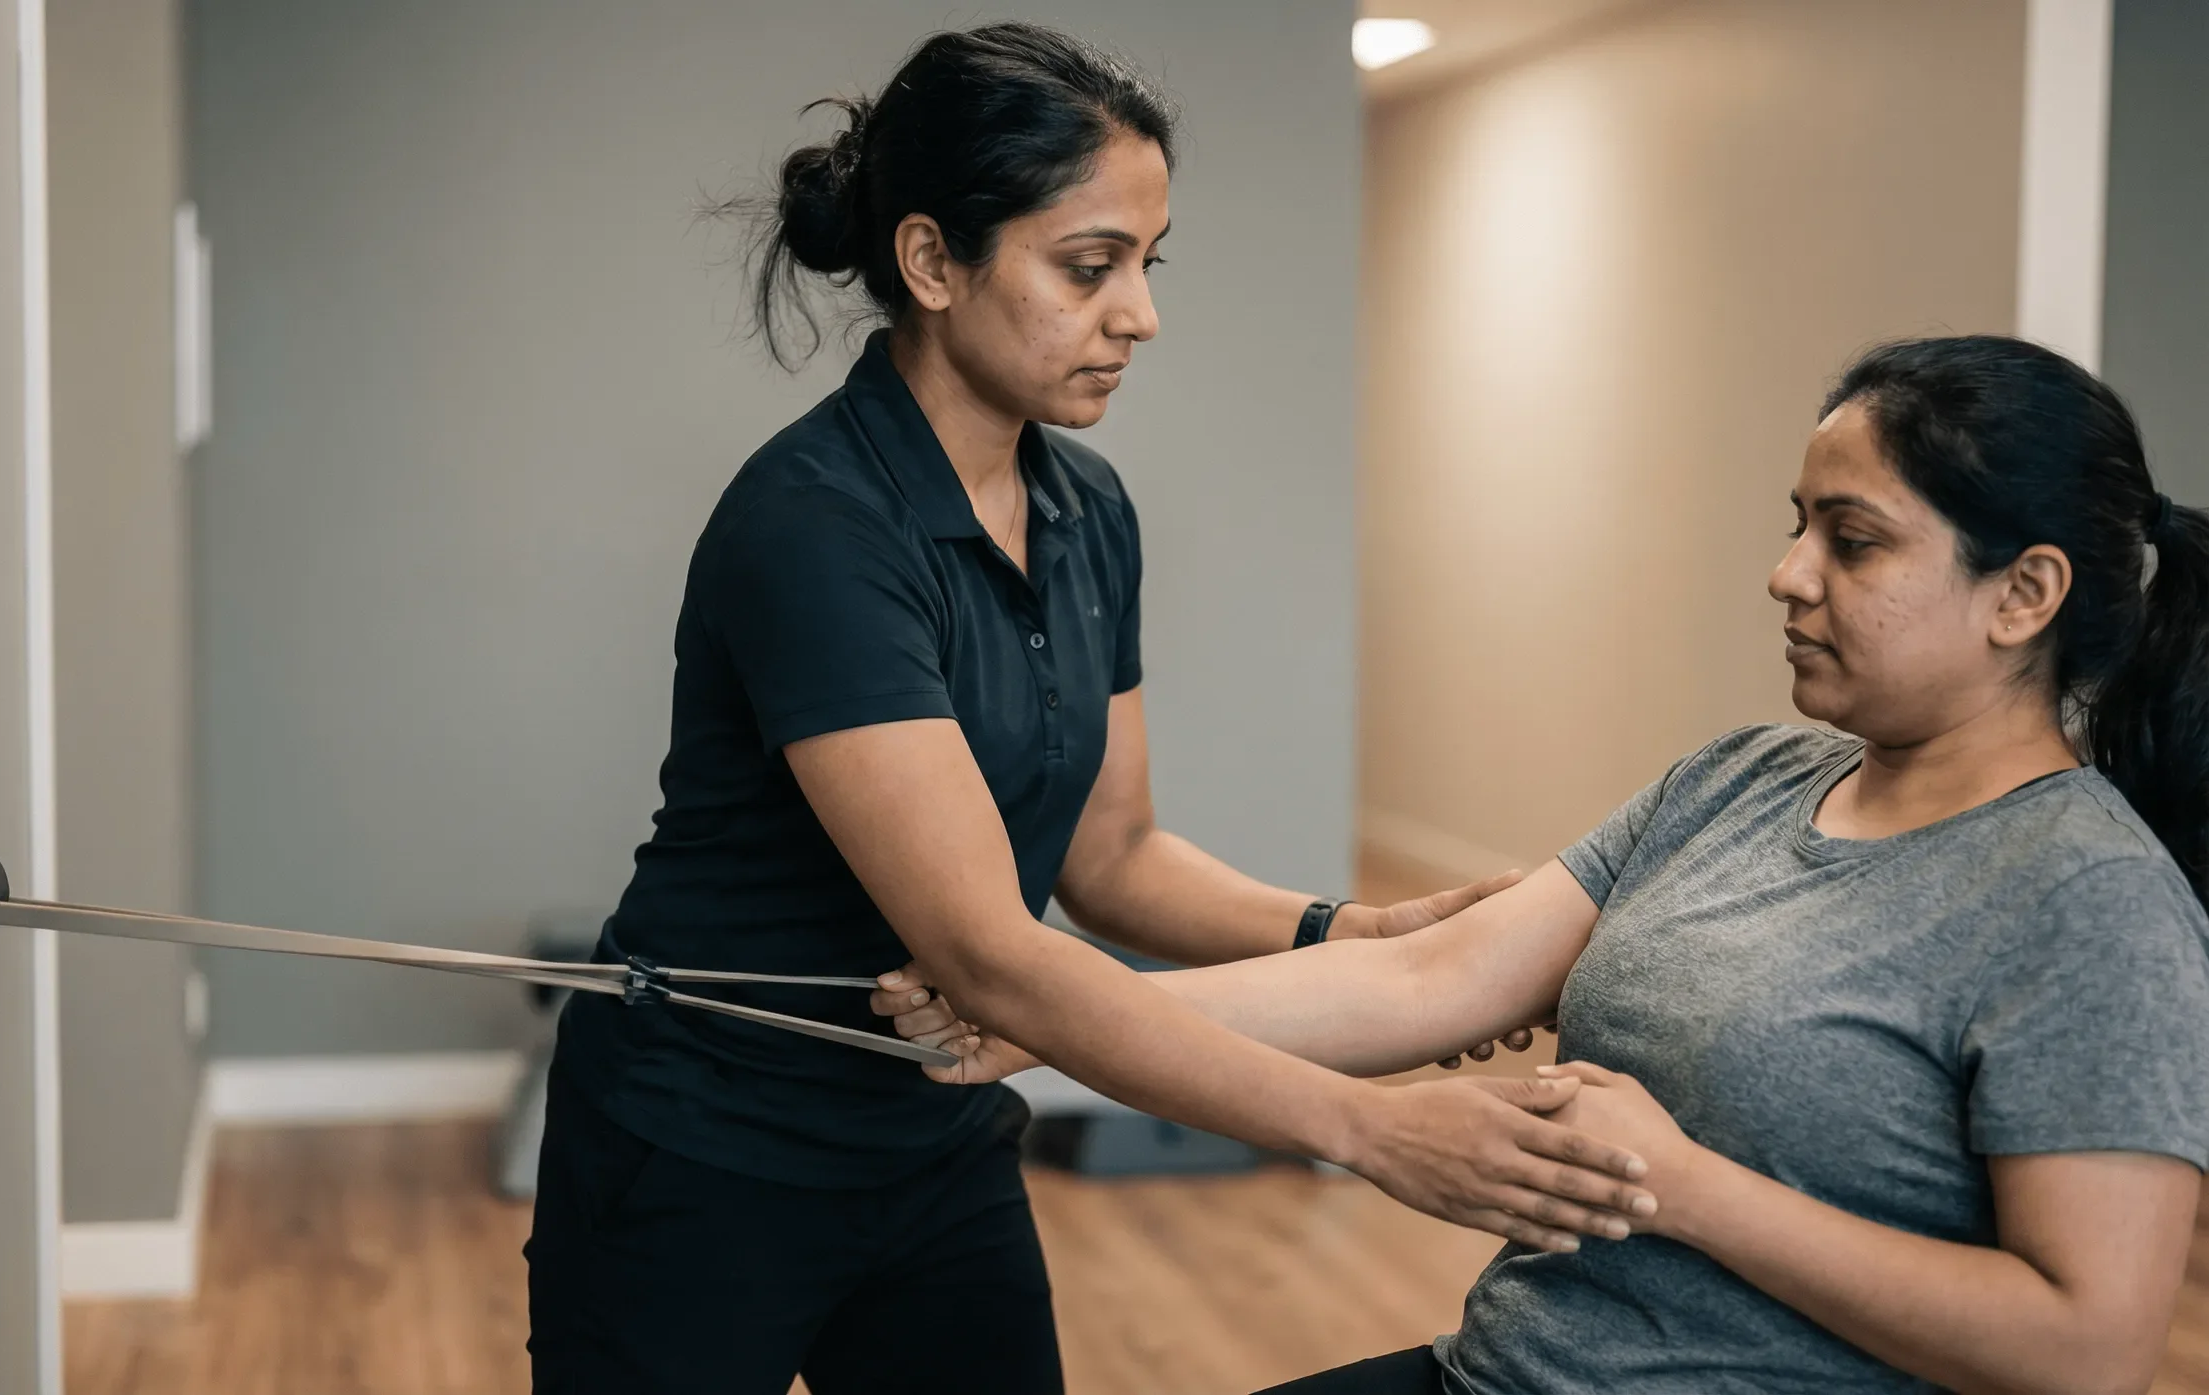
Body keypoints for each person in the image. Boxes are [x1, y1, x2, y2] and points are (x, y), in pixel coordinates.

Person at [526, 22, 1651, 1395]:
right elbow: (992, 957)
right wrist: (1369, 1128)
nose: (1141, 314)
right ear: (934, 261)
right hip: (704, 1151)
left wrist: (1342, 928)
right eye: (1088, 266)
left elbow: (1113, 855)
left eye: (1146, 264)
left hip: (933, 1145)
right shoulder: (815, 526)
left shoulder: (1084, 508)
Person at [891, 335, 2209, 1394]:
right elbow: (1427, 978)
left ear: (2024, 594)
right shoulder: (1738, 778)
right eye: (1797, 524)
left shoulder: (2089, 905)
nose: (1787, 573)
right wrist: (1051, 1012)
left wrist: (1687, 1188)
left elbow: (2083, 1347)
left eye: (1851, 541)